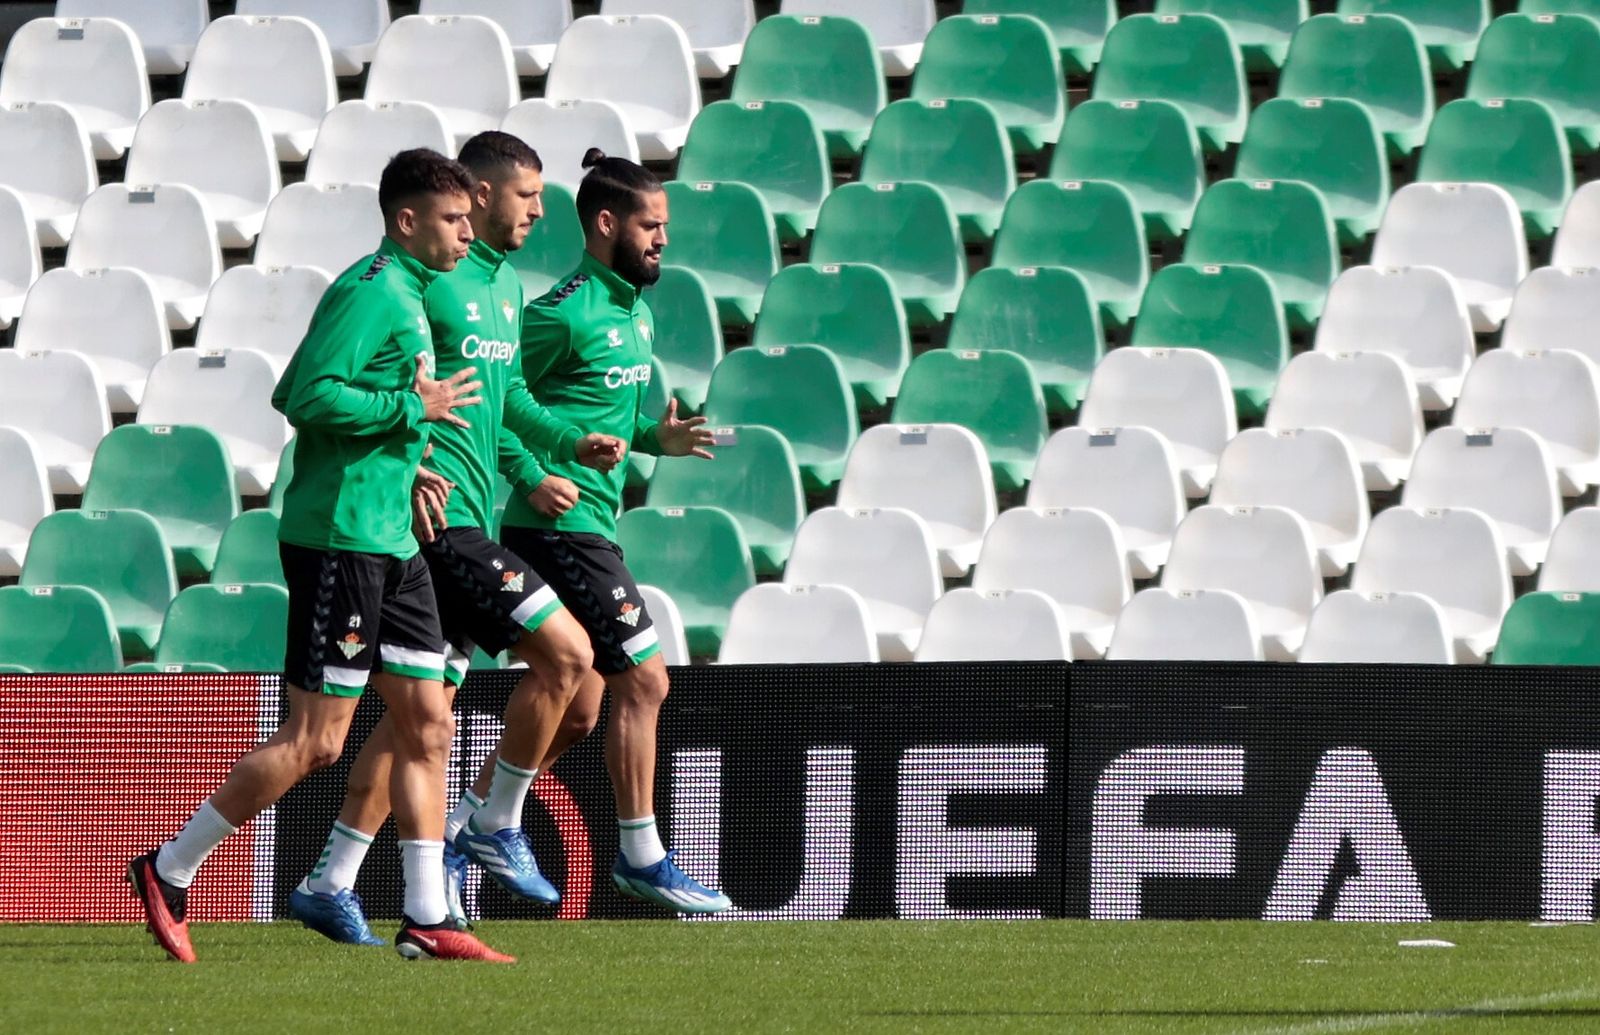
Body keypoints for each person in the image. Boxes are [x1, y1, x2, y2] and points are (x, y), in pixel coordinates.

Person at [126, 149, 514, 964]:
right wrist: (414, 406)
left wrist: (415, 461)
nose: (464, 229)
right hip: (340, 537)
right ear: (406, 220)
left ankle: (426, 913)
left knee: (428, 718)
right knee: (319, 739)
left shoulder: (411, 292)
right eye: (450, 218)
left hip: (393, 533)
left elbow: (364, 409)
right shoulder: (371, 290)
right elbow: (303, 394)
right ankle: (170, 867)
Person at [287, 132, 627, 945]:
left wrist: (557, 450)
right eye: (526, 197)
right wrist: (411, 473)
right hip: (436, 525)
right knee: (568, 658)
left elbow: (495, 401)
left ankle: (334, 877)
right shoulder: (428, 284)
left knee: (425, 715)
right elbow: (403, 396)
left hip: (470, 509)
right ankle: (489, 825)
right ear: (476, 193)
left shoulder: (505, 286)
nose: (538, 213)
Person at [486, 149, 731, 914]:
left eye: (665, 226)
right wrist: (531, 474)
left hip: (593, 523)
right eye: (650, 225)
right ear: (604, 223)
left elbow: (612, 417)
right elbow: (489, 396)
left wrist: (659, 440)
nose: (662, 238)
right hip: (558, 528)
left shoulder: (637, 310)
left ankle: (480, 815)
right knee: (647, 679)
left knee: (586, 703)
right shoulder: (560, 311)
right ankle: (641, 855)